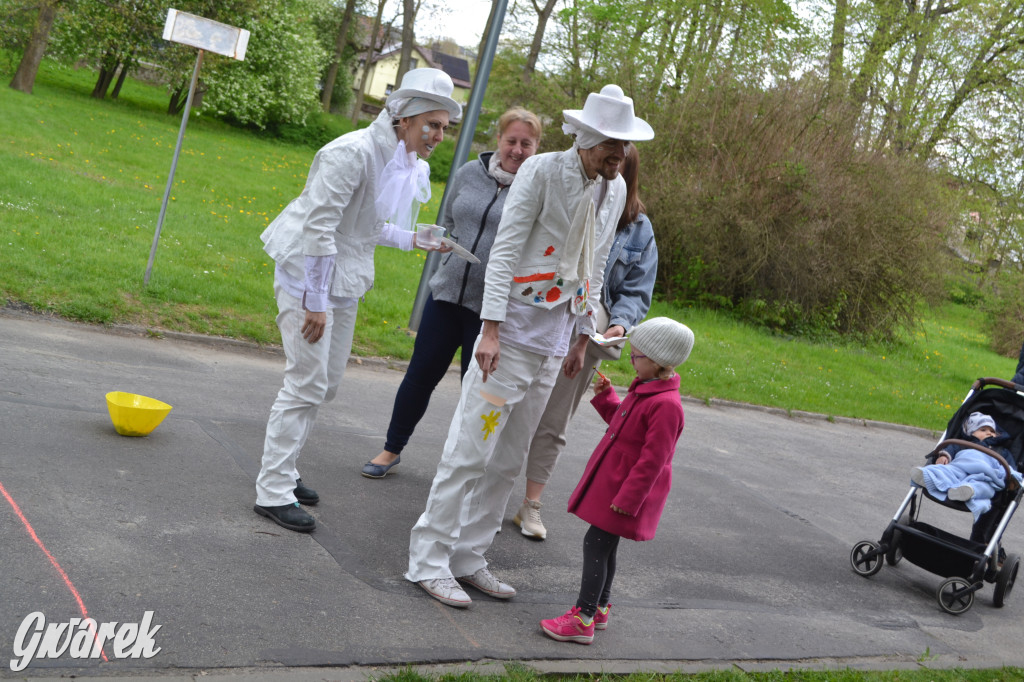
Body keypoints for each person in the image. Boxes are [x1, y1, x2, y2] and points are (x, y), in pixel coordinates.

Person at [405, 84, 655, 608]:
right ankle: (428, 560)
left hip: (552, 344)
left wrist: (579, 336)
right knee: (470, 451)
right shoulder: (542, 172)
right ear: (585, 137)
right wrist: (490, 330)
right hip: (511, 336)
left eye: (625, 145)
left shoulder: (611, 190)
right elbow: (504, 252)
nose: (619, 154)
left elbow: (595, 262)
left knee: (508, 458)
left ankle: (470, 556)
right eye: (611, 142)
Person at [252, 68, 461, 533]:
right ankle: (272, 490)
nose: (439, 135)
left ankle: (285, 470)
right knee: (305, 381)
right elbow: (320, 229)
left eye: (445, 126)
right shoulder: (350, 153)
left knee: (324, 383)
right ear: (404, 117)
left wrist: (415, 240)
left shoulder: (399, 161)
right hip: (306, 275)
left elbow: (365, 226)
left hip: (342, 279)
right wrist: (314, 302)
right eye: (433, 123)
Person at [362, 108, 543, 479]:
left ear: (537, 147)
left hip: (491, 310)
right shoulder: (468, 174)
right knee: (420, 376)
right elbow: (451, 219)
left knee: (477, 394)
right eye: (512, 141)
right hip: (446, 294)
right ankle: (390, 449)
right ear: (499, 140)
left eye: (527, 143)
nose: (517, 150)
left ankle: (460, 469)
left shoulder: (538, 188)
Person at [513, 143, 658, 539]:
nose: (611, 165)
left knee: (554, 421)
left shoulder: (638, 228)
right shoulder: (564, 192)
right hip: (539, 318)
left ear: (628, 170)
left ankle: (531, 504)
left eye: (619, 161)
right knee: (513, 409)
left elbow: (636, 290)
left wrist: (621, 324)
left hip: (587, 333)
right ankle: (484, 493)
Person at [539, 317, 694, 645]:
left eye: (636, 356)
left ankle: (583, 618)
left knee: (595, 544)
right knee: (605, 547)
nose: (632, 360)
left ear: (657, 361)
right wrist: (607, 397)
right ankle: (600, 607)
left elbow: (654, 461)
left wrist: (628, 500)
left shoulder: (667, 406)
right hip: (616, 483)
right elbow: (626, 427)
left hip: (626, 491)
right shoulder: (648, 390)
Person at [911, 412, 1022, 523]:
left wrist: (1013, 478)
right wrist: (944, 456)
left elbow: (1009, 467)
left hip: (986, 476)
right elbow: (951, 450)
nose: (989, 433)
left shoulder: (1002, 451)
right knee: (946, 471)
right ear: (970, 432)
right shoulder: (964, 443)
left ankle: (968, 491)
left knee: (984, 487)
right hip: (960, 468)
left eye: (992, 431)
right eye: (983, 430)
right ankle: (928, 476)